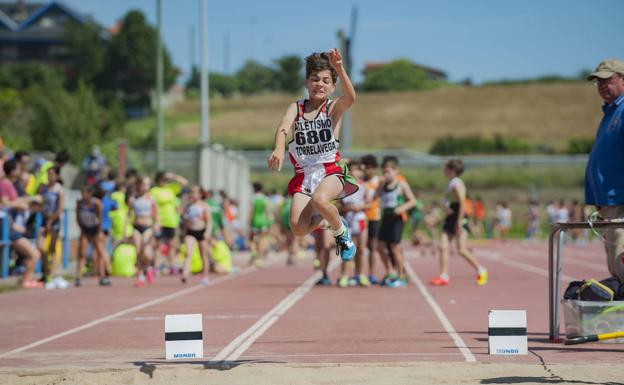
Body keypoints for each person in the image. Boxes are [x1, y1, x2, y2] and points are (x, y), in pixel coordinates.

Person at [267, 49, 358, 262]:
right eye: (315, 79)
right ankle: (332, 221)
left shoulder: (333, 108)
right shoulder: (296, 108)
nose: (320, 84)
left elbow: (351, 98)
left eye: (326, 81)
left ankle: (341, 235)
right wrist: (279, 148)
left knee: (320, 200)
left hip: (330, 170)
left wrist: (340, 69)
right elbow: (282, 128)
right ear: (307, 83)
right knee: (298, 228)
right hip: (304, 174)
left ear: (333, 87)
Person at [584, 58, 624, 281]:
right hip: (609, 204)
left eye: (607, 80)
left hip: (620, 203)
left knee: (621, 262)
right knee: (614, 265)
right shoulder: (610, 113)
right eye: (598, 81)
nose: (601, 86)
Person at [430, 159, 488, 286]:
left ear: (452, 170)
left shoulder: (457, 183)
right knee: (443, 246)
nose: (443, 171)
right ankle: (444, 276)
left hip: (459, 218)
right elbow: (450, 205)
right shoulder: (450, 183)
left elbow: (462, 203)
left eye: (446, 168)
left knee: (461, 249)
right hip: (451, 218)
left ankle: (481, 270)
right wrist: (440, 219)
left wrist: (459, 222)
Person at [373, 156, 416, 288]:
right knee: (380, 246)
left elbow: (413, 201)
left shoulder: (401, 184)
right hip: (386, 217)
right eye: (384, 172)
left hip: (397, 218)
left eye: (388, 172)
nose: (386, 174)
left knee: (394, 247)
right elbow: (375, 198)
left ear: (396, 171)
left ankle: (402, 275)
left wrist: (401, 208)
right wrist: (379, 185)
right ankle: (390, 271)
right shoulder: (383, 185)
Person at [0, 159, 42, 288]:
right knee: (34, 253)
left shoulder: (10, 184)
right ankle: (25, 280)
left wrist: (29, 200)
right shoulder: (4, 184)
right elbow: (5, 203)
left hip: (11, 226)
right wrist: (21, 205)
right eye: (18, 168)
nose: (20, 171)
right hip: (8, 227)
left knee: (32, 253)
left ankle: (26, 278)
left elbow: (13, 200)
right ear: (12, 170)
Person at [338, 160, 370, 287]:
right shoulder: (342, 186)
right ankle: (344, 275)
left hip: (360, 219)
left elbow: (369, 203)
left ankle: (360, 274)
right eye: (351, 170)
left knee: (361, 249)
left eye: (356, 169)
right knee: (347, 249)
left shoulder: (363, 186)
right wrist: (347, 208)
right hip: (347, 221)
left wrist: (360, 207)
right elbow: (338, 205)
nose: (354, 172)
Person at [151, 171, 187, 274]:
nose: (166, 181)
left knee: (172, 245)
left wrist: (173, 176)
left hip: (171, 221)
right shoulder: (154, 190)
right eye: (164, 179)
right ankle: (157, 267)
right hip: (160, 221)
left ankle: (172, 266)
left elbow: (184, 183)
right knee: (159, 245)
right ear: (158, 180)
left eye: (167, 180)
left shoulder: (171, 189)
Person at [75, 184, 111, 287]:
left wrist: (98, 232)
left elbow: (100, 219)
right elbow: (77, 217)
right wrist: (83, 229)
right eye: (82, 192)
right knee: (82, 253)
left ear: (90, 194)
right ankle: (78, 277)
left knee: (99, 252)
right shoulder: (79, 203)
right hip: (85, 230)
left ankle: (102, 277)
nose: (83, 194)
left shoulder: (96, 203)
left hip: (95, 230)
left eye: (85, 192)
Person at [37, 166, 66, 287]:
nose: (50, 176)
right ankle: (45, 272)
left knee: (52, 249)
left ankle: (52, 274)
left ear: (57, 176)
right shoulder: (43, 188)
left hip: (54, 221)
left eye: (52, 174)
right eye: (48, 174)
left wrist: (51, 220)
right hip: (44, 219)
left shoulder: (59, 189)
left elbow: (60, 208)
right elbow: (40, 203)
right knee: (41, 247)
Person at [127, 177, 159, 288]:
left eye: (148, 184)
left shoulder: (151, 199)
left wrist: (157, 225)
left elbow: (156, 214)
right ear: (139, 185)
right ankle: (140, 275)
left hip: (148, 227)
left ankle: (149, 268)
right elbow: (128, 214)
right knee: (138, 250)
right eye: (144, 184)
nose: (146, 186)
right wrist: (126, 229)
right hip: (136, 227)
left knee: (146, 253)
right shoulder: (133, 199)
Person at [181, 185, 212, 284]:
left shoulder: (204, 206)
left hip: (201, 231)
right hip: (190, 232)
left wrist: (207, 232)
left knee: (203, 254)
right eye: (191, 192)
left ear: (200, 194)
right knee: (188, 252)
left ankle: (205, 275)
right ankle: (185, 274)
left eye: (194, 192)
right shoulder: (188, 206)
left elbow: (209, 221)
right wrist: (185, 232)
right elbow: (185, 221)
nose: (192, 194)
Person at [361, 154, 381, 284]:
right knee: (361, 247)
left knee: (373, 247)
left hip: (374, 217)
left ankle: (372, 274)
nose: (365, 171)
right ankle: (360, 273)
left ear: (373, 168)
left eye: (368, 168)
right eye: (364, 168)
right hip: (361, 217)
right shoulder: (360, 181)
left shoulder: (379, 181)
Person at [248, 182, 271, 267]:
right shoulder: (265, 198)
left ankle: (254, 251)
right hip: (263, 221)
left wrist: (249, 221)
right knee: (262, 239)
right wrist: (269, 222)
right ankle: (260, 258)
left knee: (251, 239)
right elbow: (268, 211)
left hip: (255, 220)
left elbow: (251, 211)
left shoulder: (253, 198)